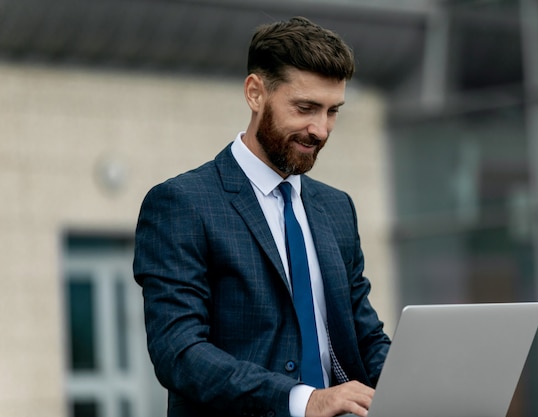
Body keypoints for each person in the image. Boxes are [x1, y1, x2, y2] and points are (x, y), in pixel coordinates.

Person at [133, 16, 390, 417]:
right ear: (255, 93)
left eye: (332, 111)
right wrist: (303, 401)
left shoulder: (337, 209)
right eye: (305, 108)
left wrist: (419, 385)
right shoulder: (181, 204)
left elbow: (365, 337)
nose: (320, 129)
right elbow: (179, 352)